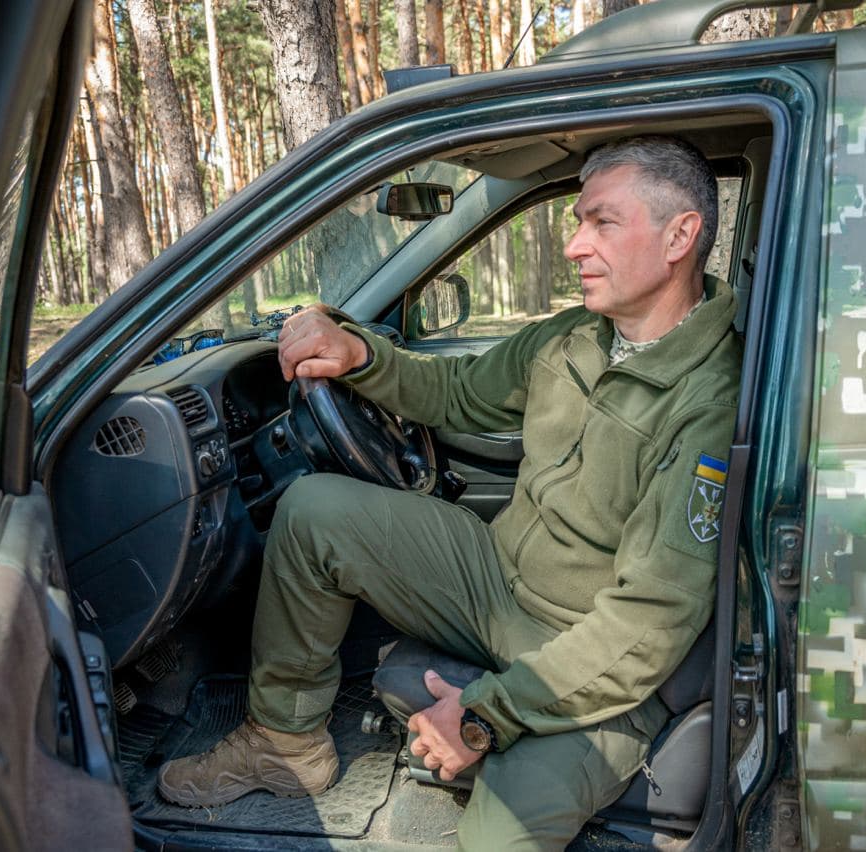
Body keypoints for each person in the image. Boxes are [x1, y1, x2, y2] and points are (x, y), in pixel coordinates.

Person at [158, 135, 743, 849]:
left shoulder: (710, 401)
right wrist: (360, 355)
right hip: (496, 578)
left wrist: (485, 715)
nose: (574, 246)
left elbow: (644, 627)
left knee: (495, 840)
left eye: (603, 223)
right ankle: (285, 744)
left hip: (597, 662)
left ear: (680, 236)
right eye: (578, 222)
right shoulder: (576, 337)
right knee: (313, 512)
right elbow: (460, 393)